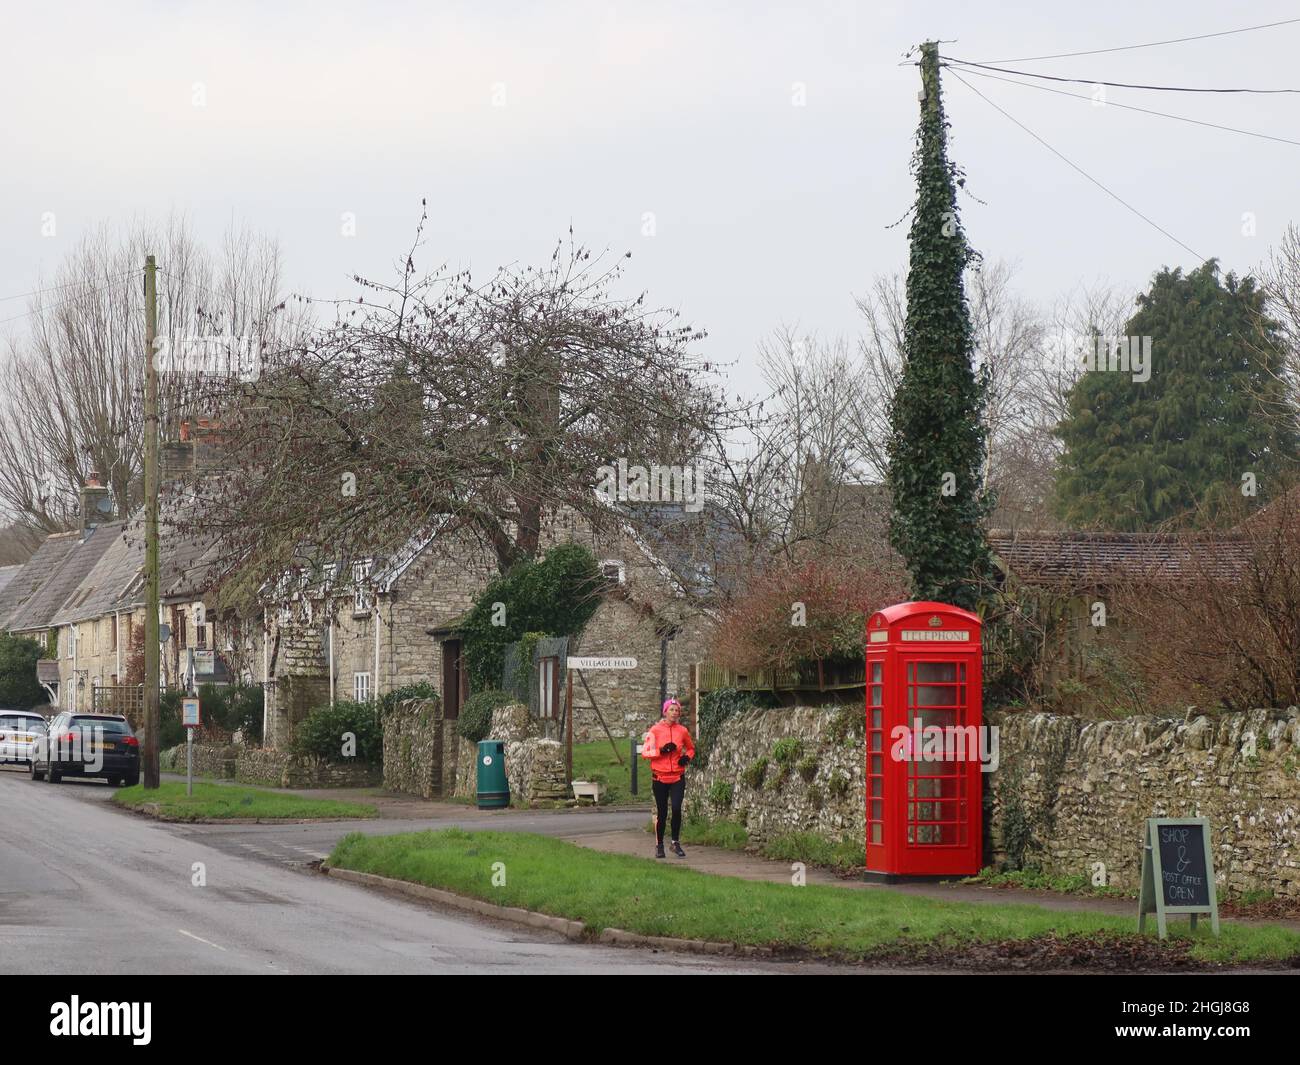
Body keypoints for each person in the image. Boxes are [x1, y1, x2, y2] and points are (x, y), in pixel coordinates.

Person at [641, 697, 696, 859]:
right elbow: (645, 752)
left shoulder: (682, 731)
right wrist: (662, 750)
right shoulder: (655, 730)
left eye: (677, 710)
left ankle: (675, 843)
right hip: (660, 777)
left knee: (677, 809)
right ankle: (659, 846)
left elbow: (691, 749)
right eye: (671, 709)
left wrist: (686, 758)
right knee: (663, 812)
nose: (674, 712)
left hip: (678, 777)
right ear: (665, 712)